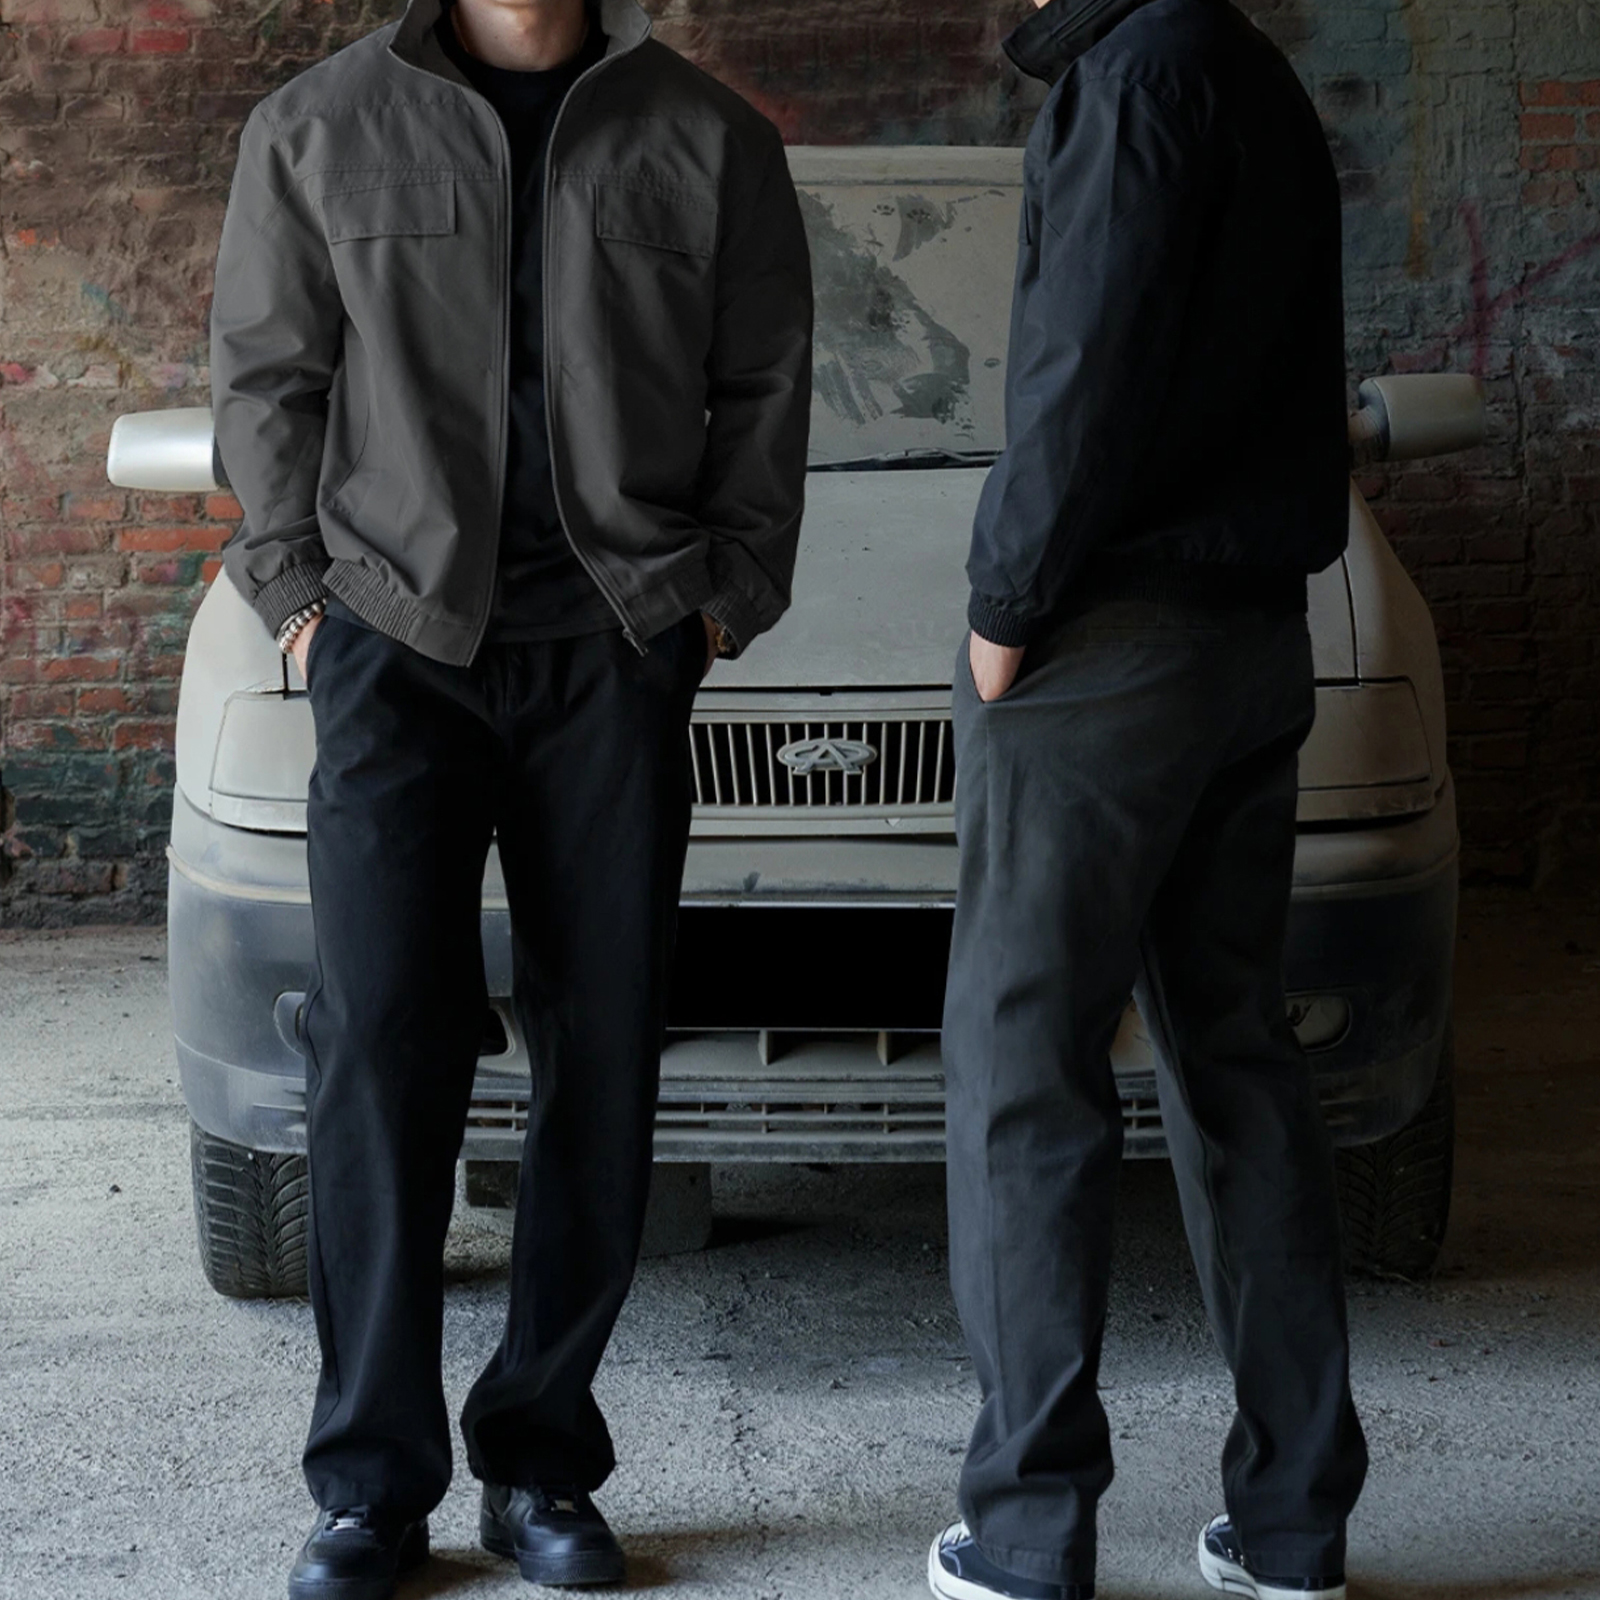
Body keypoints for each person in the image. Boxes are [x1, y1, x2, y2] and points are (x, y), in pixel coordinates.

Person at [209, 0, 812, 1590]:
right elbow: (266, 377)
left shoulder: (709, 139)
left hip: (615, 650)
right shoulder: (317, 128)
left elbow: (765, 383)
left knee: (600, 1048)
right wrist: (298, 600)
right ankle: (370, 1484)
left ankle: (542, 1461)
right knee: (377, 1048)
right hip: (395, 648)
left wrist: (720, 602)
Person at [929, 1, 1367, 1599]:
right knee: (1238, 1060)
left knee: (1020, 1067)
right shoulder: (1247, 67)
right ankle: (1294, 1526)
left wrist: (1004, 605)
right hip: (1254, 636)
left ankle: (1028, 1530)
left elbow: (1084, 370)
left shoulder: (1135, 78)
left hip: (1109, 647)